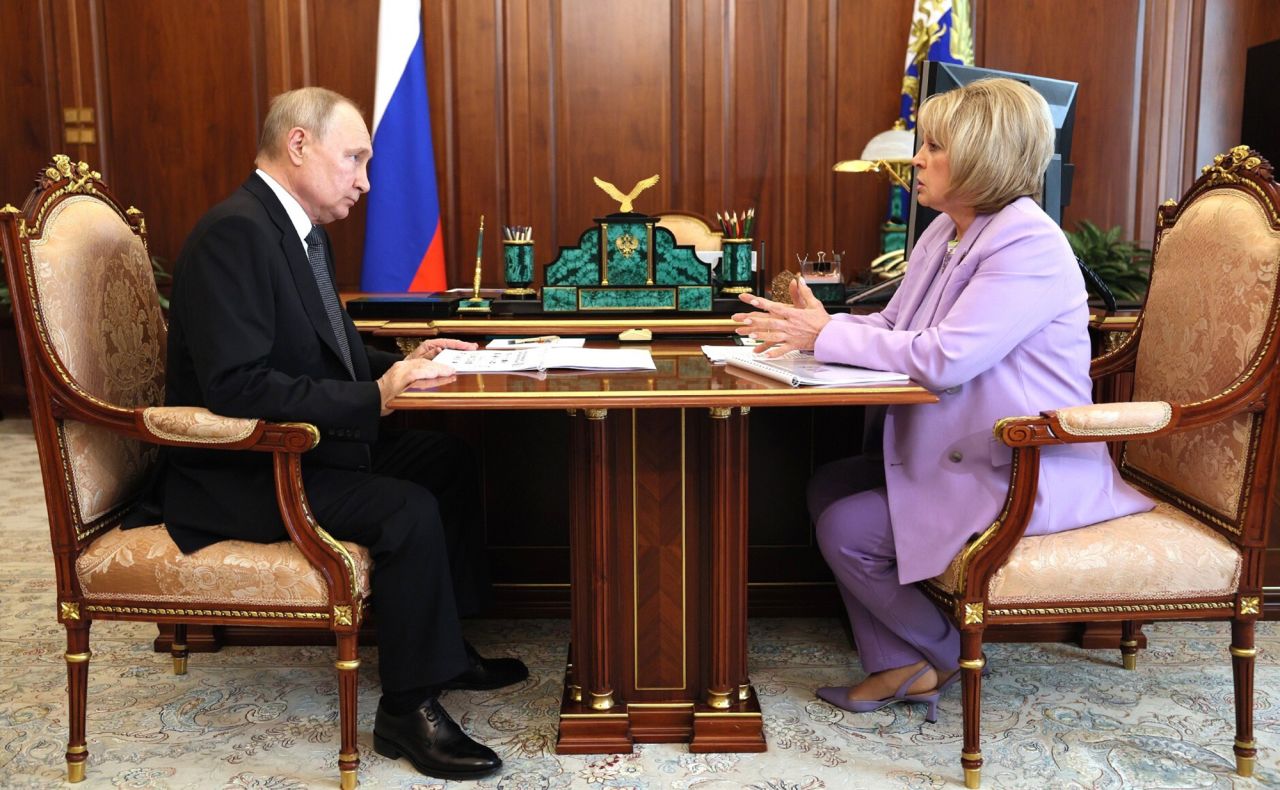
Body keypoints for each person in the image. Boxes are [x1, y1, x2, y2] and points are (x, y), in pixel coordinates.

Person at [731, 78, 1153, 718]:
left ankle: (947, 653)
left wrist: (830, 333)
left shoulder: (1029, 244)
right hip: (968, 455)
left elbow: (946, 358)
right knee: (829, 486)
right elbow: (900, 329)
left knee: (847, 528)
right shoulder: (945, 232)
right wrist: (808, 335)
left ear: (984, 156)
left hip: (1024, 466)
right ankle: (901, 667)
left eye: (933, 146)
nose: (916, 158)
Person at [160, 87, 525, 779]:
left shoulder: (298, 230)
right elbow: (236, 387)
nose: (365, 180)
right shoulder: (234, 233)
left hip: (303, 444)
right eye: (354, 158)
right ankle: (406, 712)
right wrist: (373, 397)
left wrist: (404, 364)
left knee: (445, 460)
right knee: (407, 508)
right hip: (242, 471)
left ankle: (445, 650)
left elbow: (320, 346)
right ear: (299, 145)